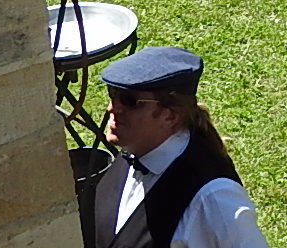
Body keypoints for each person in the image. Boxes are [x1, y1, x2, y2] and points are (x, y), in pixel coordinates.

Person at [90, 45, 269, 248]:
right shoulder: (135, 150)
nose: (112, 107)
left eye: (130, 101)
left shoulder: (213, 198)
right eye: (113, 93)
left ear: (170, 117)